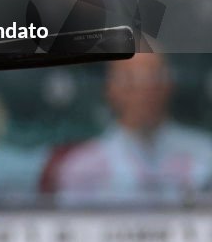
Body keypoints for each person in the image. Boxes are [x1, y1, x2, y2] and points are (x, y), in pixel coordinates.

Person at [52, 53, 212, 205]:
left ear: (169, 85)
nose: (144, 91)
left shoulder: (206, 154)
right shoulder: (81, 167)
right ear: (110, 89)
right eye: (131, 80)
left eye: (153, 79)